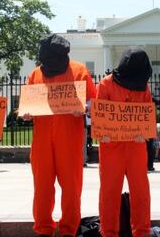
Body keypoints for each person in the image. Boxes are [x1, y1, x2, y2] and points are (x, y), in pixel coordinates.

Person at [22, 34, 96, 237]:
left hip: (69, 139)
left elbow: (93, 102)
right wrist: (26, 114)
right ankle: (44, 229)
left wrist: (84, 108)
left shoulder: (80, 71)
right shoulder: (35, 74)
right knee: (42, 187)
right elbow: (28, 105)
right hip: (42, 140)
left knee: (71, 188)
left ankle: (68, 230)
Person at [96, 48, 152, 237]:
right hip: (111, 145)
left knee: (141, 192)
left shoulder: (144, 87)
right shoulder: (105, 84)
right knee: (109, 192)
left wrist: (144, 133)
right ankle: (109, 232)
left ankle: (142, 232)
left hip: (136, 145)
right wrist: (102, 132)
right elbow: (99, 116)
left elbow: (147, 116)